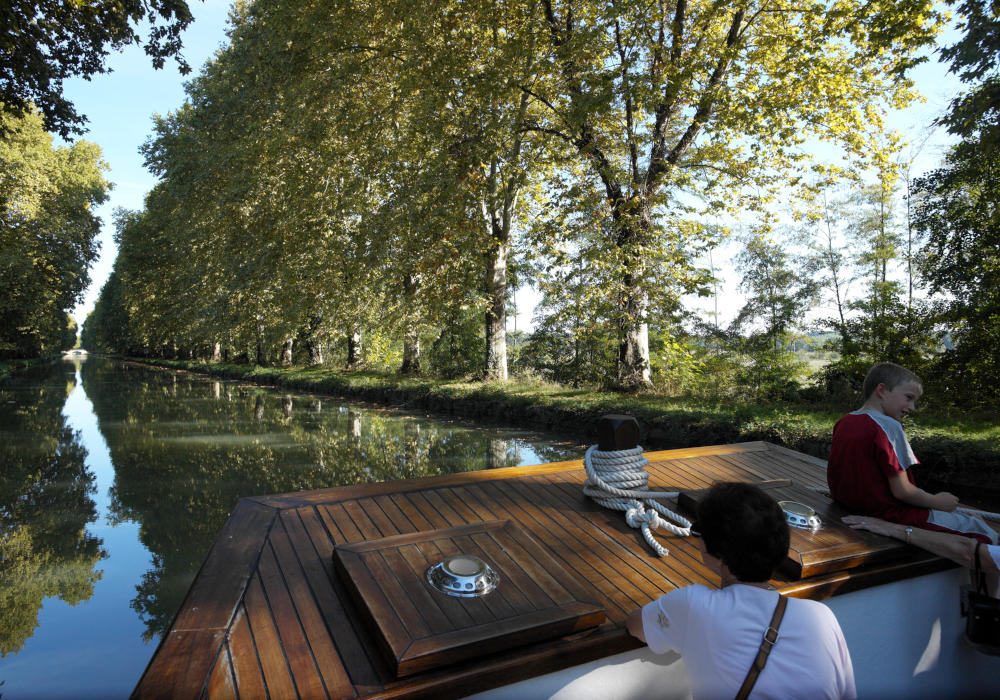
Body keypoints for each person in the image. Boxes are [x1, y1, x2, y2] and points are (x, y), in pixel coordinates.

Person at [626, 482, 856, 699]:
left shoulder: (694, 605)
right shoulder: (822, 616)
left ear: (716, 553)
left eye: (699, 531)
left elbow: (636, 625)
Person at [827, 362, 996, 544]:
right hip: (892, 516)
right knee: (984, 532)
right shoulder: (889, 427)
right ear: (882, 390)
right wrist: (938, 502)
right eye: (909, 397)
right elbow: (903, 492)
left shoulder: (845, 421)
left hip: (850, 507)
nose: (912, 407)